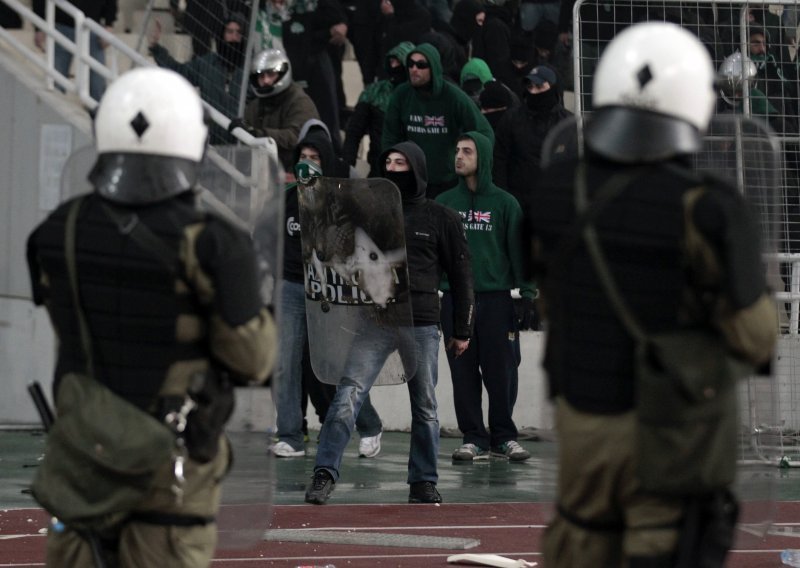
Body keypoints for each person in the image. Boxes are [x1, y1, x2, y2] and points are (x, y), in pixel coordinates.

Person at [527, 23, 778, 567]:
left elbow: (552, 301)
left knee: (579, 542)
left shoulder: (553, 189)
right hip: (668, 437)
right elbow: (756, 338)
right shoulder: (705, 208)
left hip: (581, 421)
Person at [26, 67, 277, 566]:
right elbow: (254, 360)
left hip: (80, 460)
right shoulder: (214, 243)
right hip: (169, 473)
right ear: (193, 141)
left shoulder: (59, 228)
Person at [305, 140, 475, 505]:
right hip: (374, 321)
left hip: (422, 322)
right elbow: (339, 257)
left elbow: (462, 276)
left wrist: (462, 329)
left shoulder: (441, 218)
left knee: (426, 406)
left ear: (417, 168)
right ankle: (324, 473)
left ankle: (423, 481)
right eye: (389, 162)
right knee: (348, 394)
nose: (395, 168)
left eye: (402, 162)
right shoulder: (370, 215)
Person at [272, 123, 383, 458]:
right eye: (302, 157)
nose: (307, 163)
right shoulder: (286, 200)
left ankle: (369, 425)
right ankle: (290, 435)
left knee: (337, 365)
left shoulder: (342, 203)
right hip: (291, 287)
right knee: (285, 363)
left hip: (329, 289)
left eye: (314, 157)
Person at [436, 131, 535, 463]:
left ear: (484, 159)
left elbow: (521, 253)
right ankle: (473, 437)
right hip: (454, 302)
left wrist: (528, 294)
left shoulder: (505, 204)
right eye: (457, 151)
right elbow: (433, 254)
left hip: (496, 300)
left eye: (467, 151)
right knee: (462, 375)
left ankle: (504, 437)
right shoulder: (446, 204)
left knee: (502, 371)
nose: (459, 157)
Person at [382, 44, 495, 198]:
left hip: (448, 181)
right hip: (412, 182)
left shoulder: (453, 95)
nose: (414, 69)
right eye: (411, 64)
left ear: (433, 68)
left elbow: (484, 132)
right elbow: (390, 136)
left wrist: (474, 166)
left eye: (421, 65)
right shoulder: (401, 94)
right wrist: (391, 171)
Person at [149, 12, 248, 145]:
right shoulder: (205, 64)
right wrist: (156, 48)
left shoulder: (251, 69)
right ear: (222, 35)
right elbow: (178, 72)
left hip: (243, 143)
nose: (234, 37)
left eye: (238, 33)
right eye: (229, 32)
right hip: (210, 142)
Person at [493, 64, 573, 215]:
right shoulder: (511, 118)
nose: (533, 91)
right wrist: (503, 198)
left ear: (553, 87)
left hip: (555, 202)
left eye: (539, 86)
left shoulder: (567, 124)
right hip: (518, 202)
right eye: (530, 86)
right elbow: (499, 159)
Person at [230, 48, 320, 171]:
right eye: (261, 76)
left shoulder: (300, 102)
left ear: (282, 73)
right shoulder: (254, 106)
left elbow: (294, 137)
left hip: (297, 173)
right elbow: (250, 132)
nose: (266, 80)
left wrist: (257, 133)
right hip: (265, 172)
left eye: (271, 74)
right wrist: (244, 129)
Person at [342, 41, 415, 177]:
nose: (393, 67)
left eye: (398, 62)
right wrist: (347, 166)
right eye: (391, 62)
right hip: (378, 169)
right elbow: (354, 131)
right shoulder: (374, 92)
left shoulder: (418, 96)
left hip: (412, 172)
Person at [33, 0, 116, 102]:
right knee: (56, 84)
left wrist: (109, 23)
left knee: (97, 87)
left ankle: (97, 115)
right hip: (61, 26)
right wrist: (39, 26)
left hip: (91, 27)